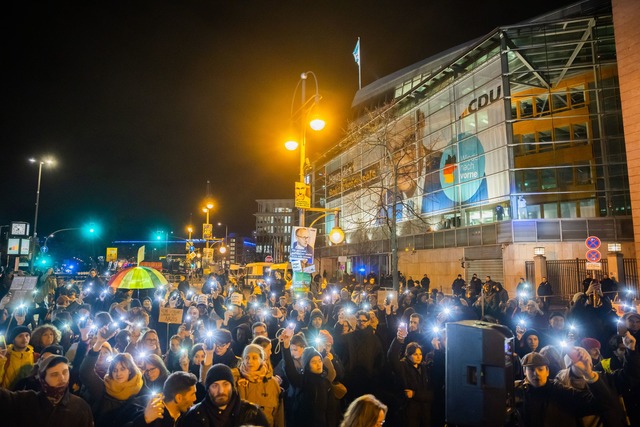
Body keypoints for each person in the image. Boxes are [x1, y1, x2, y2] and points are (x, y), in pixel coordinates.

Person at [516, 351, 625, 426]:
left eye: (540, 369)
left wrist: (589, 375)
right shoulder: (516, 392)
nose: (536, 374)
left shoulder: (560, 392)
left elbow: (602, 404)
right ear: (525, 372)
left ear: (547, 371)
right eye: (531, 370)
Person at [0, 355, 94, 427]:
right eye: (54, 374)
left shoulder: (80, 406)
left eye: (65, 372)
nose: (62, 378)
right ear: (42, 378)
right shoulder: (25, 400)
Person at [181, 363, 269, 427]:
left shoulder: (252, 414)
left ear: (232, 386)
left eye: (225, 384)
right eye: (215, 386)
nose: (221, 390)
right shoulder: (193, 416)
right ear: (208, 389)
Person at [131, 371, 197, 427]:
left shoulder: (185, 416)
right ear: (178, 398)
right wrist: (144, 420)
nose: (195, 398)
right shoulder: (152, 417)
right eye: (192, 394)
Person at [0, 325, 36, 390]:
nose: (25, 339)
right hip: (7, 396)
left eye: (27, 335)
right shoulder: (5, 356)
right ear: (13, 339)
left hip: (28, 396)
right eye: (20, 336)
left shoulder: (36, 357)